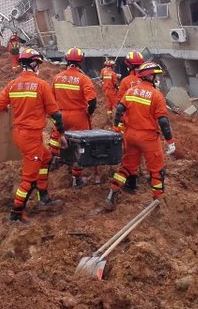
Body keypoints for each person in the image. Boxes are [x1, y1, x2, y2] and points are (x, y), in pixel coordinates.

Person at [0, 47, 67, 223]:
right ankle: (16, 213)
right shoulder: (41, 85)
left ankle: (43, 196)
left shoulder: (12, 85)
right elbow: (56, 115)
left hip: (19, 134)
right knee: (29, 179)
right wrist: (61, 134)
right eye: (38, 64)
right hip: (31, 137)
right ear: (33, 64)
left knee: (46, 158)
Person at [105, 61, 175, 211]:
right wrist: (170, 141)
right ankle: (158, 200)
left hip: (130, 135)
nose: (157, 79)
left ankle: (111, 193)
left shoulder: (131, 91)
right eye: (155, 76)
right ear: (149, 76)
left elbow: (120, 109)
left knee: (127, 167)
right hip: (148, 138)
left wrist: (117, 128)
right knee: (156, 171)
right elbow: (163, 121)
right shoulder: (156, 95)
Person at [50, 47, 98, 188]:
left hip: (61, 114)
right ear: (81, 61)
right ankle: (76, 178)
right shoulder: (83, 79)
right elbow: (92, 100)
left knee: (56, 136)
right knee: (79, 145)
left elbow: (51, 99)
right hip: (79, 116)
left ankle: (53, 159)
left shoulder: (57, 78)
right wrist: (89, 112)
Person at [99, 58, 119, 124]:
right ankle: (120, 119)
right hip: (111, 91)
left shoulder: (103, 71)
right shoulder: (113, 74)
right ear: (112, 66)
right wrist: (118, 88)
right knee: (117, 104)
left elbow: (101, 78)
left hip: (105, 90)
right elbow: (115, 83)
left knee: (109, 105)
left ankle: (109, 118)